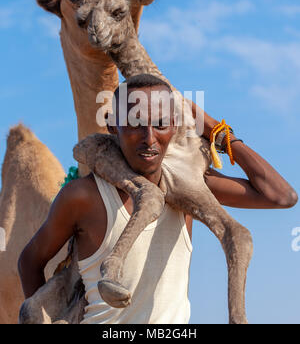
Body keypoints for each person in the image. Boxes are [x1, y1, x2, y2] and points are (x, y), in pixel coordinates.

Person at [18, 74, 298, 324]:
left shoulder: (189, 186)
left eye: (161, 123)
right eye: (135, 123)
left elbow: (281, 195)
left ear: (175, 127)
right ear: (113, 126)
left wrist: (215, 129)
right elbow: (30, 260)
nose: (149, 138)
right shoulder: (85, 196)